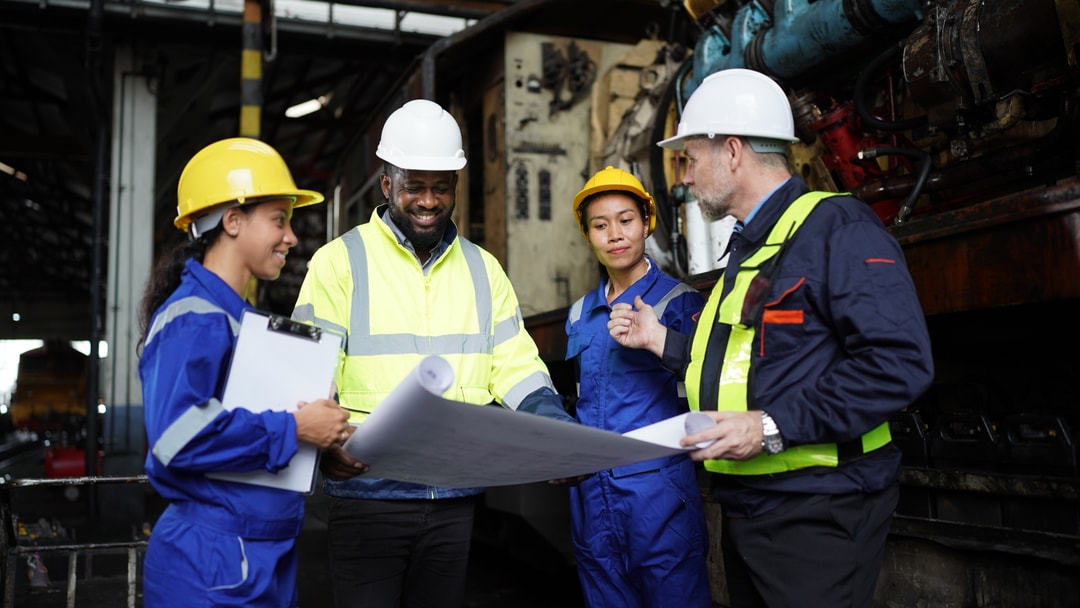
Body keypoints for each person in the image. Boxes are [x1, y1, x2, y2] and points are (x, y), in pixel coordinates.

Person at [608, 68, 935, 608]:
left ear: (732, 151)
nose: (685, 177)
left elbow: (898, 363)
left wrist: (768, 427)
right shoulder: (752, 247)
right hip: (752, 505)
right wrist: (662, 341)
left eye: (690, 158)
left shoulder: (837, 228)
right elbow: (754, 361)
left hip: (818, 510)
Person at [292, 98, 576, 608]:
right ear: (387, 185)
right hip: (368, 495)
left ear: (455, 186)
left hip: (452, 496)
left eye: (441, 187)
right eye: (415, 187)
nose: (429, 201)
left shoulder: (483, 269)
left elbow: (516, 366)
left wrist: (554, 428)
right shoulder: (338, 263)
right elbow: (310, 377)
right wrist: (325, 446)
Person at [138, 137, 355, 608]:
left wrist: (321, 442)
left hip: (255, 554)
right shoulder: (195, 317)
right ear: (232, 221)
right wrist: (296, 428)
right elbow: (176, 436)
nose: (291, 237)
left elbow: (248, 420)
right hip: (211, 562)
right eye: (279, 219)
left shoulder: (240, 320)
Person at [565, 166, 712, 607]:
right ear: (588, 235)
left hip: (659, 495)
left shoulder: (679, 302)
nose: (615, 234)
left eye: (626, 220)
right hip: (592, 494)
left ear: (647, 223)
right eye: (600, 225)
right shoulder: (579, 314)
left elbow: (708, 387)